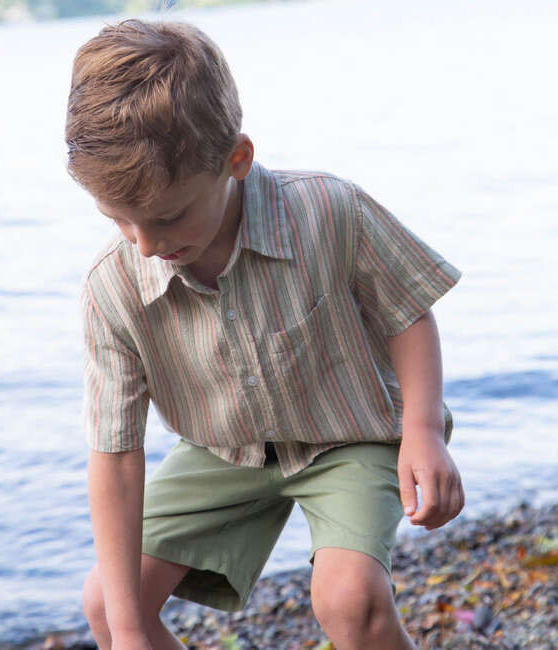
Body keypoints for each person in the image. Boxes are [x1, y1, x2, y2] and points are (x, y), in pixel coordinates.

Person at [65, 18, 464, 650]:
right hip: (224, 448)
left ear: (237, 160)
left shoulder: (328, 210)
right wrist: (127, 627)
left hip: (351, 432)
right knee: (110, 608)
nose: (146, 245)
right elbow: (116, 455)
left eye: (168, 217)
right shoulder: (113, 288)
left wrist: (421, 431)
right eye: (119, 220)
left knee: (350, 597)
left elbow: (407, 312)